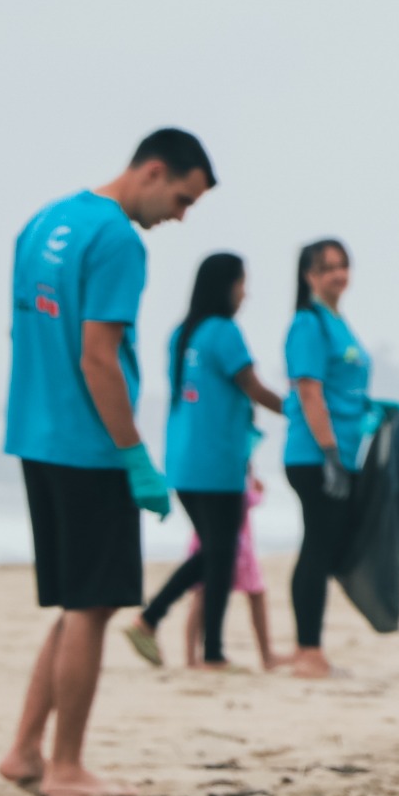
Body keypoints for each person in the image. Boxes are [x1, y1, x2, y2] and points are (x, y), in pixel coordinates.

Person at [0, 128, 216, 796]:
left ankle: (24, 751)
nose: (180, 215)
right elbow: (98, 356)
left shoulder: (45, 221)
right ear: (153, 171)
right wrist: (133, 454)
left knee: (73, 604)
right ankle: (66, 766)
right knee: (92, 608)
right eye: (181, 198)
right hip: (89, 445)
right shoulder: (120, 240)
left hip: (35, 434)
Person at [127, 253, 286, 669]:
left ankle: (179, 633)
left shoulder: (182, 334)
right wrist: (298, 412)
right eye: (241, 283)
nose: (245, 292)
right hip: (217, 463)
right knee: (219, 553)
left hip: (182, 462)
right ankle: (167, 626)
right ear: (225, 285)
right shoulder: (224, 332)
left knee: (215, 553)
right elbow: (251, 385)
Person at [285, 237, 373, 679]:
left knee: (325, 545)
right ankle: (307, 652)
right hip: (314, 454)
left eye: (343, 265)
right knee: (317, 546)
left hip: (345, 452)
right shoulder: (309, 323)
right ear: (310, 276)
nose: (338, 274)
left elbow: (346, 389)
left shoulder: (340, 323)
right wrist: (329, 454)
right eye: (327, 268)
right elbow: (309, 390)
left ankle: (310, 648)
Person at [175, 469, 283, 669]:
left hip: (209, 541)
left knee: (201, 598)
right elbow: (246, 501)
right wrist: (258, 491)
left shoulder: (207, 480)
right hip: (236, 547)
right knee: (251, 594)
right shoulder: (230, 482)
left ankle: (190, 658)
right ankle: (267, 657)